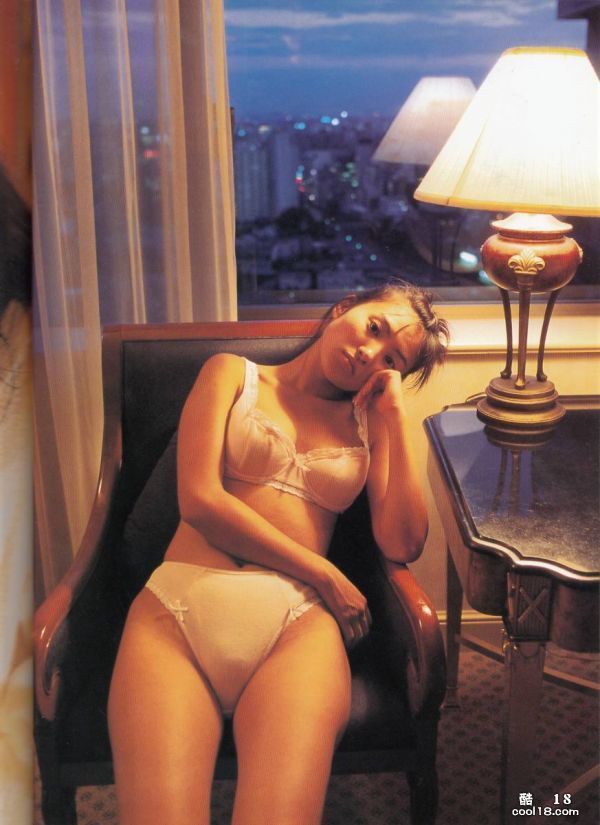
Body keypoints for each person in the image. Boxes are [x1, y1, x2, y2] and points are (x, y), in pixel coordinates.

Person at [108, 280, 449, 825]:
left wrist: (397, 416)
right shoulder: (230, 373)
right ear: (345, 307)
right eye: (374, 327)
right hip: (175, 615)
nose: (369, 354)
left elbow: (404, 542)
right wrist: (324, 573)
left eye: (391, 360)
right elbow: (199, 501)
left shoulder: (370, 427)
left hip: (296, 630)